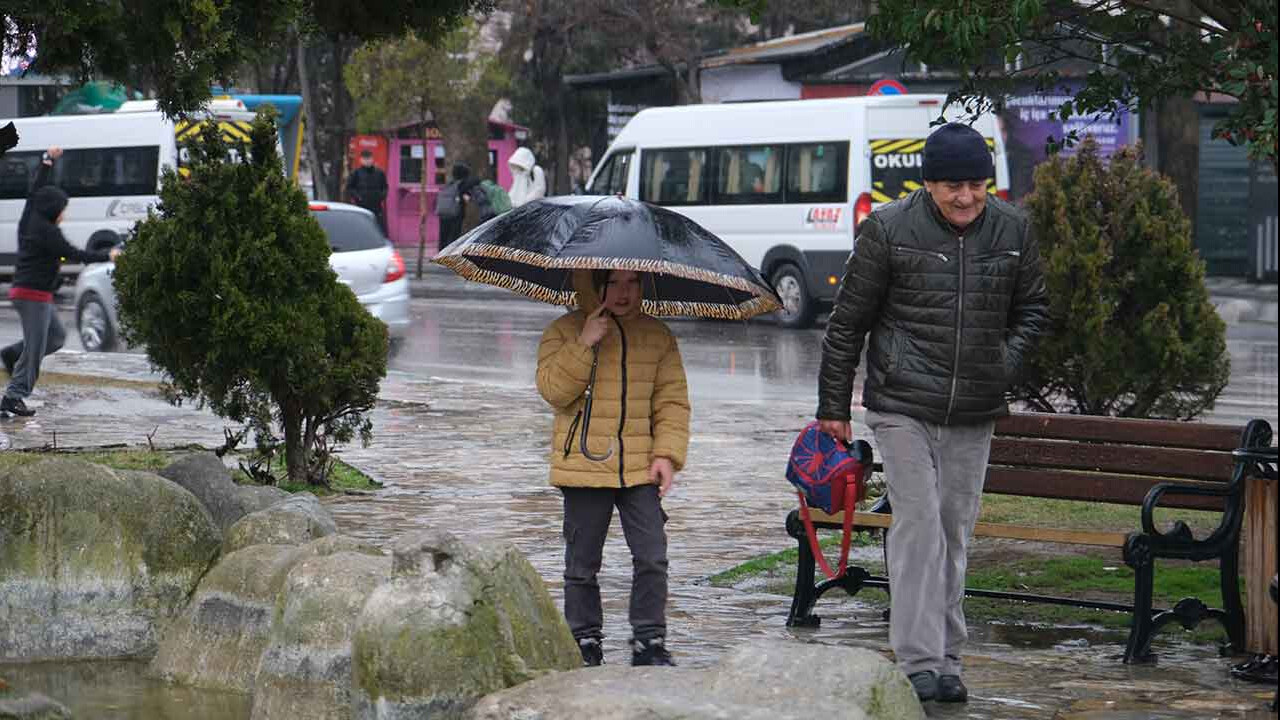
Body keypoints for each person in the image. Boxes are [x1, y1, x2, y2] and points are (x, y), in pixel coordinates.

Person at [816, 123, 1049, 703]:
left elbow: (1034, 308)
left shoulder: (1014, 229)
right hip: (901, 405)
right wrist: (833, 408)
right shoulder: (889, 229)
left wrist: (1002, 363)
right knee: (918, 527)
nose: (966, 197)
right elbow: (847, 324)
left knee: (953, 531)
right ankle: (920, 660)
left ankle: (948, 658)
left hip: (974, 407)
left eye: (976, 185)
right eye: (953, 186)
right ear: (929, 183)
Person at [535, 268, 690, 668]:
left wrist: (666, 456)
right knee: (582, 564)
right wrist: (584, 343)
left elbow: (672, 402)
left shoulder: (658, 336)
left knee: (653, 556)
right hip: (584, 466)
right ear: (593, 284)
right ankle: (583, 639)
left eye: (633, 283)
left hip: (640, 468)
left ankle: (649, 641)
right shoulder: (565, 330)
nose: (625, 293)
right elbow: (553, 391)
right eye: (614, 283)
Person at [2, 146, 120, 418]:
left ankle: (11, 355)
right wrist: (108, 255)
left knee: (55, 337)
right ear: (54, 210)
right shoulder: (47, 233)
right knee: (35, 349)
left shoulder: (30, 217)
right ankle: (13, 396)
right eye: (63, 210)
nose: (64, 214)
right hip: (32, 295)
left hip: (34, 294)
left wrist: (46, 162)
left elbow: (34, 193)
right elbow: (77, 254)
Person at [346, 150, 388, 233]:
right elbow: (350, 188)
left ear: (372, 159)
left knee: (378, 227)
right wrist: (358, 197)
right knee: (362, 226)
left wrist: (381, 196)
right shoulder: (356, 173)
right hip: (361, 205)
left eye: (369, 158)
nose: (367, 161)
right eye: (365, 159)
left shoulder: (379, 173)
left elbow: (385, 187)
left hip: (376, 206)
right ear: (361, 160)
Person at [436, 163, 470, 251]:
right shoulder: (463, 184)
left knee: (443, 234)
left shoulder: (449, 183)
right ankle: (451, 254)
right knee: (454, 235)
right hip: (456, 213)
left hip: (444, 212)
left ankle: (441, 252)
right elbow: (466, 198)